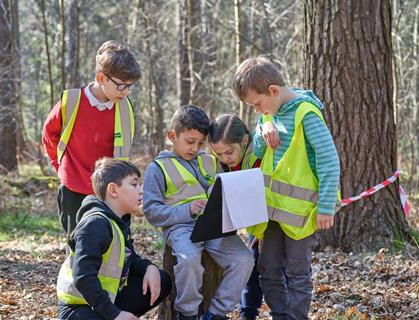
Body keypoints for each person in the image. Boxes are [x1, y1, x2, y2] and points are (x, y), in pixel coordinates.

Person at [233, 56, 340, 320]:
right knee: (267, 269)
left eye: (257, 104)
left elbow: (329, 160)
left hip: (300, 216)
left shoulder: (307, 115)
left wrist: (326, 207)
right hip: (271, 214)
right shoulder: (269, 114)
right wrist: (263, 128)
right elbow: (256, 152)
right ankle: (281, 315)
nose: (257, 110)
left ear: (272, 91)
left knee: (297, 273)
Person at [142, 105, 254, 320]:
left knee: (244, 259)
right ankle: (188, 314)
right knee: (189, 258)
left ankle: (216, 313)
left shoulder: (211, 161)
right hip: (180, 228)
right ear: (172, 136)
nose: (195, 148)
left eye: (200, 143)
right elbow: (152, 212)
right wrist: (187, 210)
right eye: (190, 142)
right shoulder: (158, 168)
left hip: (213, 227)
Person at [42, 40, 140, 235]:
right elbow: (48, 133)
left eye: (131, 86)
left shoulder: (124, 107)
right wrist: (60, 166)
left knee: (115, 242)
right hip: (74, 188)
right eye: (122, 86)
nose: (127, 91)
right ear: (101, 78)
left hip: (110, 191)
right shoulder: (71, 101)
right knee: (77, 243)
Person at [56, 158, 172, 320]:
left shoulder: (118, 220)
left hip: (107, 297)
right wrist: (114, 314)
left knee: (162, 280)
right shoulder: (95, 224)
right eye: (134, 184)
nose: (141, 191)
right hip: (78, 306)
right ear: (113, 190)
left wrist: (148, 268)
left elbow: (128, 257)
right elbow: (83, 276)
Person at [208, 114, 264, 320]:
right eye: (219, 154)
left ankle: (254, 312)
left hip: (271, 220)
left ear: (244, 140)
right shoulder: (220, 163)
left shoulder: (259, 156)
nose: (225, 159)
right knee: (251, 265)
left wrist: (263, 232)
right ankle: (246, 313)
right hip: (246, 221)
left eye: (229, 152)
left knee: (266, 267)